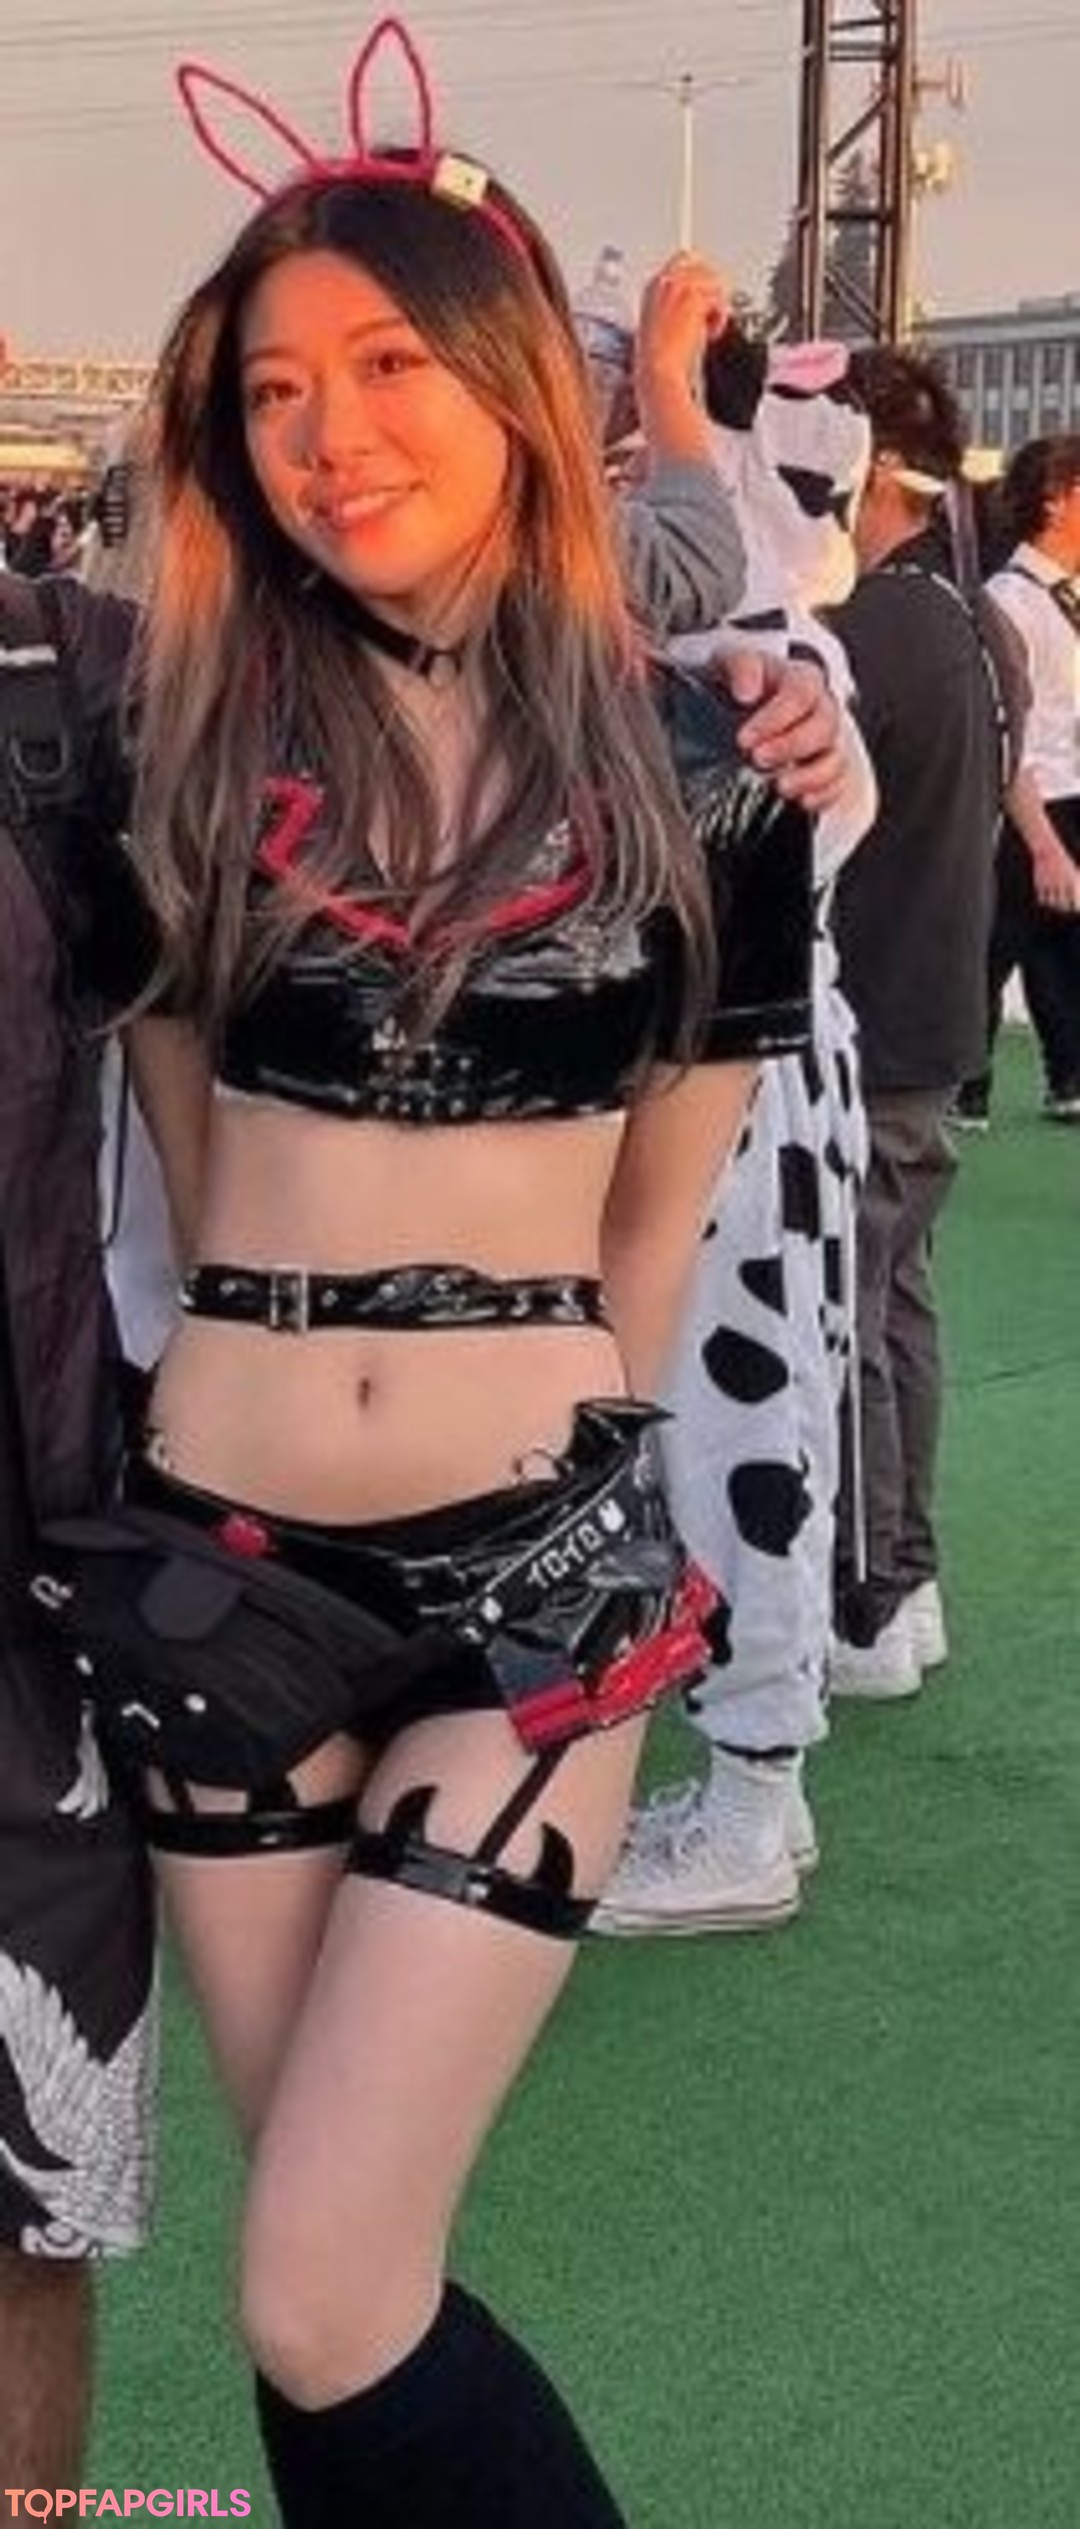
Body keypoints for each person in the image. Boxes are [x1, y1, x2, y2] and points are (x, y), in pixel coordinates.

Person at [28, 22, 846, 2524]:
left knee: (316, 2285)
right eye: (272, 388)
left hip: (535, 1582)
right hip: (222, 1574)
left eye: (387, 365)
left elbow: (651, 1225)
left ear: (510, 385)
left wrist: (567, 1465)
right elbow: (189, 1154)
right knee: (330, 2270)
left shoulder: (714, 767)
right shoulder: (170, 746)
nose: (327, 431)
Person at [596, 326, 876, 1935]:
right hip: (746, 1086)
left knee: (736, 1430)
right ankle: (753, 1776)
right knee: (730, 1425)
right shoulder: (756, 641)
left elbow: (817, 829)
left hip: (734, 1100)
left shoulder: (750, 655)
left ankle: (752, 1791)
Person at [0, 575, 156, 2490]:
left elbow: (423, 711)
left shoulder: (67, 670)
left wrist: (726, 700)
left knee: (20, 2204)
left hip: (24, 1630)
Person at [824, 348, 1005, 1698]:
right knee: (897, 1303)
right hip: (933, 1004)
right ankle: (907, 1578)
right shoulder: (964, 618)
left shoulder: (867, 632)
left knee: (852, 1314)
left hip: (874, 1011)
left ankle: (871, 1593)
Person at [956, 433, 1080, 1125]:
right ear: (1055, 500)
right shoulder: (1008, 599)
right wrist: (1042, 842)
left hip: (1074, 789)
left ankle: (1069, 1076)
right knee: (996, 940)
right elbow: (1009, 727)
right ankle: (964, 1082)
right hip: (1026, 795)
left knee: (1066, 945)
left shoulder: (1072, 594)